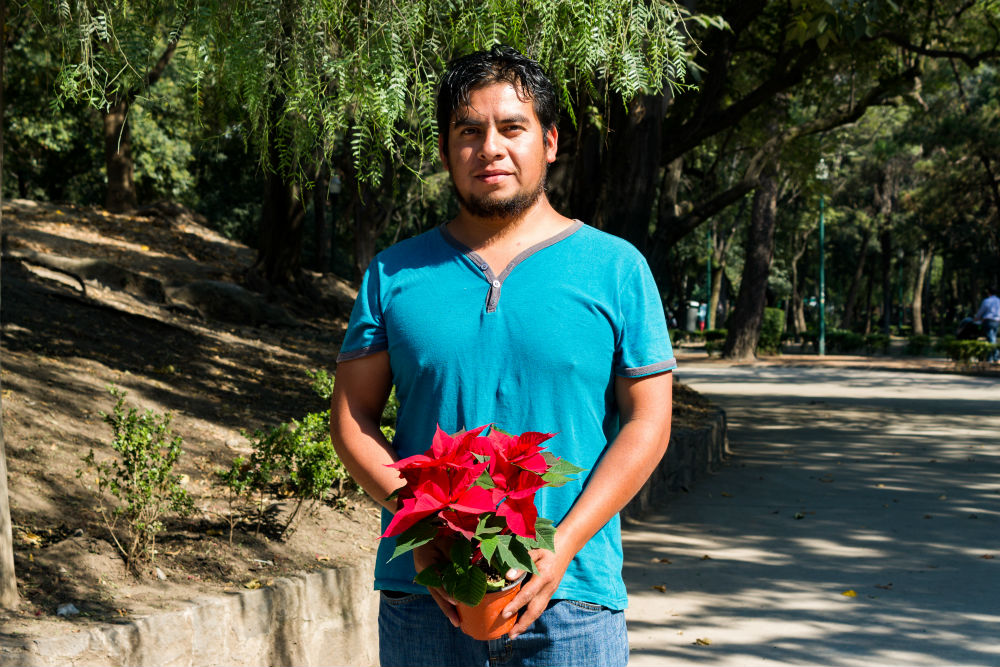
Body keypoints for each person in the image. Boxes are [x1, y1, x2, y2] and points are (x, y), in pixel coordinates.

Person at [330, 45, 675, 667]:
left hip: (572, 598)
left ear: (549, 142)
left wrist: (562, 546)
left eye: (512, 127)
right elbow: (353, 417)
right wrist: (427, 530)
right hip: (426, 595)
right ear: (445, 151)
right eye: (469, 131)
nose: (490, 147)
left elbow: (648, 421)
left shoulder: (616, 269)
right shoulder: (394, 273)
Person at [973, 286, 1000, 362]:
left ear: (989, 293)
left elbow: (981, 311)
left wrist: (976, 318)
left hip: (988, 321)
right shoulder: (999, 301)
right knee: (992, 337)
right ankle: (992, 357)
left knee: (991, 338)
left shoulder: (987, 301)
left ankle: (995, 357)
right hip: (997, 321)